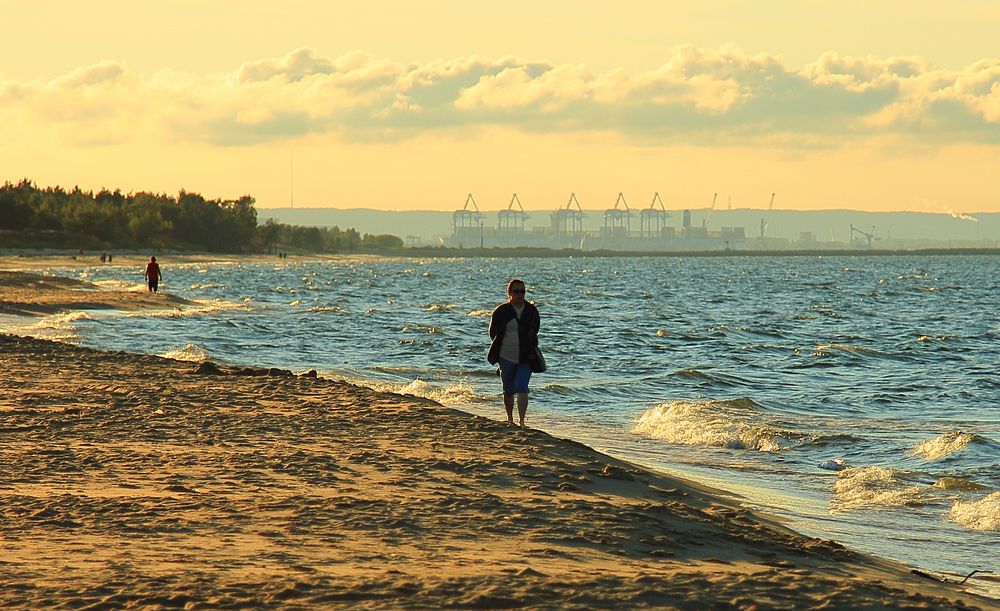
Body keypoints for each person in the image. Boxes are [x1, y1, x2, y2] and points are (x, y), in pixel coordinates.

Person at [488, 278, 540, 427]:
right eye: (517, 292)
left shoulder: (531, 311)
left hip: (526, 356)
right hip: (506, 356)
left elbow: (535, 329)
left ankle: (522, 421)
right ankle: (510, 419)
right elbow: (493, 333)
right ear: (509, 293)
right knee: (508, 389)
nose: (520, 294)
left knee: (523, 387)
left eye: (523, 291)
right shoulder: (501, 311)